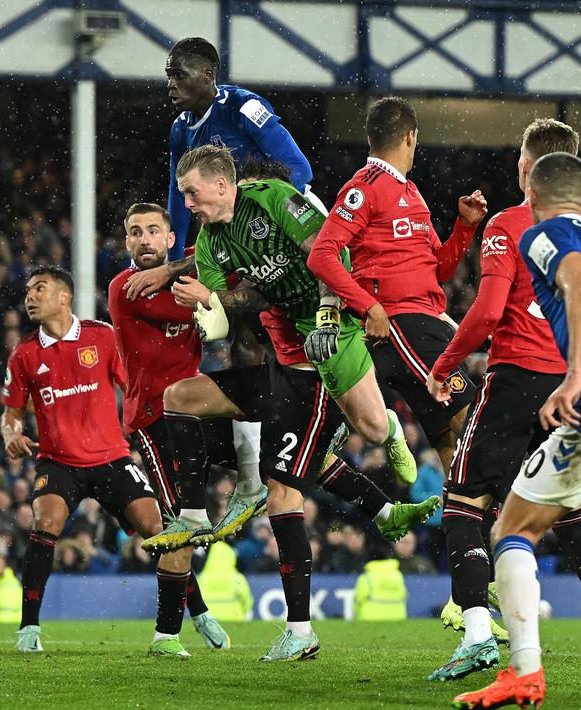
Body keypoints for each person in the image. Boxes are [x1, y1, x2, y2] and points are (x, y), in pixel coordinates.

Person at [125, 145, 427, 661]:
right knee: (185, 402)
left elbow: (328, 255)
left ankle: (387, 443)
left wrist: (329, 315)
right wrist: (210, 304)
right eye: (183, 196)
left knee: (368, 434)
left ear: (222, 185)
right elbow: (245, 302)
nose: (188, 204)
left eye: (192, 193)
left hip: (331, 331)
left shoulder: (272, 200)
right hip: (291, 362)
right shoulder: (213, 241)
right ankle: (204, 516)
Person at [426, 119, 581, 681]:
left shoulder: (511, 224)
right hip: (576, 390)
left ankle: (479, 635)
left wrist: (446, 362)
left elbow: (484, 312)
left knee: (462, 502)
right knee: (570, 519)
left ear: (528, 169)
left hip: (519, 382)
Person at [308, 95, 488, 477]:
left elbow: (438, 269)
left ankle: (466, 530)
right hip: (403, 324)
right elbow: (321, 256)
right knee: (477, 425)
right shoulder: (364, 187)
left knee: (449, 443)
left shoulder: (411, 190)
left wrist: (465, 227)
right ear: (410, 137)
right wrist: (368, 306)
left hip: (424, 318)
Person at [0, 265, 168, 655]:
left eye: (39, 289)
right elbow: (11, 412)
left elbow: (136, 386)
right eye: (27, 290)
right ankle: (28, 628)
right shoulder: (24, 354)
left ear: (64, 296)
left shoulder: (103, 336)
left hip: (112, 458)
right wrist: (11, 434)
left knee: (158, 529)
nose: (30, 296)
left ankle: (198, 611)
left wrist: (156, 423)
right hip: (57, 462)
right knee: (47, 521)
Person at [107, 202, 232, 655]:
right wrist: (214, 291)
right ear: (126, 243)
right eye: (135, 232)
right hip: (154, 420)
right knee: (181, 521)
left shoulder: (188, 276)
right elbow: (207, 314)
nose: (144, 239)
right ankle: (166, 634)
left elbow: (220, 258)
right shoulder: (126, 287)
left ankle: (194, 610)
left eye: (153, 231)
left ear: (169, 239)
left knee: (270, 460)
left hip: (198, 414)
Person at [164, 37, 315, 259]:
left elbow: (300, 169)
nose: (171, 84)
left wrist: (250, 209)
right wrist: (174, 258)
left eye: (179, 74)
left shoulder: (243, 107)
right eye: (169, 76)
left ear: (207, 75)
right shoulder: (180, 129)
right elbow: (178, 194)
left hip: (291, 212)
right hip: (237, 228)